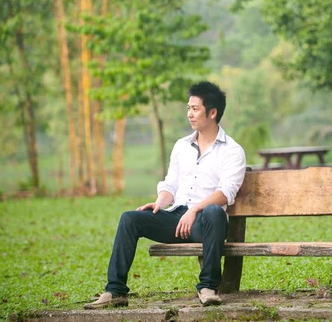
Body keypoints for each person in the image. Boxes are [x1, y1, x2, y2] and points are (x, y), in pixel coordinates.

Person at [84, 81, 247, 309]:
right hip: (177, 219)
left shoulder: (232, 151)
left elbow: (225, 193)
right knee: (130, 218)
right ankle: (116, 291)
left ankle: (208, 287)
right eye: (188, 108)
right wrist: (160, 201)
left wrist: (194, 210)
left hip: (206, 224)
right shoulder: (181, 146)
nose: (189, 114)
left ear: (212, 113)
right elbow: (171, 183)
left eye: (195, 109)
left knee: (213, 212)